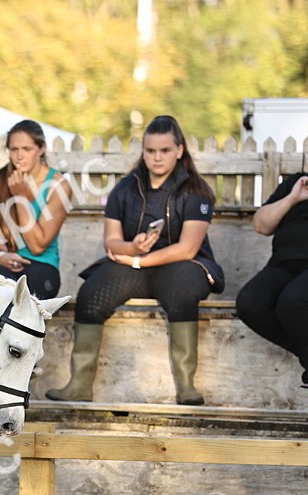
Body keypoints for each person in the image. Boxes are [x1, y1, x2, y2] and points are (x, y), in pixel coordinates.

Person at [47, 115, 224, 405]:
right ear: (143, 151)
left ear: (179, 150)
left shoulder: (196, 191)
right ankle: (79, 385)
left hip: (181, 266)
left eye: (165, 150)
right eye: (150, 150)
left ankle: (186, 385)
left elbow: (187, 249)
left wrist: (138, 261)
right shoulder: (125, 188)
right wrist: (132, 247)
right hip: (135, 265)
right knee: (92, 292)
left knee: (182, 288)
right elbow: (112, 242)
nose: (157, 157)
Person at [236, 170, 308, 409]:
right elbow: (261, 225)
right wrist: (293, 197)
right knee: (250, 302)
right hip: (284, 265)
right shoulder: (297, 183)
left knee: (293, 301)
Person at [0, 119, 71, 299]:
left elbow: (37, 246)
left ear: (41, 148)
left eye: (27, 149)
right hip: (5, 262)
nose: (19, 156)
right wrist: (0, 255)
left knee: (23, 305)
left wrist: (21, 198)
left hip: (42, 265)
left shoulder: (57, 185)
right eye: (14, 149)